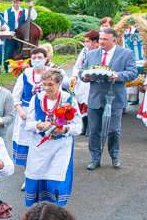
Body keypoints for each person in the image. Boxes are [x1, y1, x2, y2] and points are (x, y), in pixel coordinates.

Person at [80, 28, 138, 171]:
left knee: (113, 130)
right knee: (94, 130)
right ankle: (95, 158)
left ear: (114, 40)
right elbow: (82, 71)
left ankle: (114, 156)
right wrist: (84, 76)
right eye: (100, 39)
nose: (101, 42)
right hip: (95, 97)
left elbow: (133, 73)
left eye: (105, 39)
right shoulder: (92, 53)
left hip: (115, 98)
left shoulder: (126, 53)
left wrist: (118, 76)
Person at [24, 69, 82, 207]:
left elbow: (78, 127)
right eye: (44, 84)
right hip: (39, 148)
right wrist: (39, 125)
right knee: (36, 179)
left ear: (59, 84)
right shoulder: (36, 99)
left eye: (50, 84)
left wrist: (65, 129)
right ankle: (38, 213)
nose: (46, 88)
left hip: (60, 148)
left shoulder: (69, 100)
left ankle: (56, 213)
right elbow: (28, 124)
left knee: (55, 182)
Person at [11, 47, 50, 178]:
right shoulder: (25, 75)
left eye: (39, 57)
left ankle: (42, 175)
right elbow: (16, 96)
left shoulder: (51, 74)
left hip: (45, 113)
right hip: (26, 113)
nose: (37, 60)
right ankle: (28, 175)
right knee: (26, 144)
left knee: (42, 145)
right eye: (34, 58)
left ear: (46, 59)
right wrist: (21, 112)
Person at [70, 31, 101, 136]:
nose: (85, 44)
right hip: (83, 80)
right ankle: (84, 125)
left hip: (94, 81)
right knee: (81, 103)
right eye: (85, 41)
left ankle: (91, 128)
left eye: (88, 41)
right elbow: (78, 65)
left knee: (91, 104)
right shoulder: (84, 51)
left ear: (95, 42)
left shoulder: (101, 52)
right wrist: (75, 76)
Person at [4, 0, 37, 66]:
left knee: (19, 51)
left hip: (21, 36)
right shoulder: (7, 11)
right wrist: (9, 32)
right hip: (10, 35)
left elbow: (33, 17)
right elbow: (5, 23)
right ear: (12, 2)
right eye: (14, 2)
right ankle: (7, 67)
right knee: (8, 51)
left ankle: (19, 66)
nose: (16, 3)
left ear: (20, 2)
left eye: (18, 2)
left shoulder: (25, 11)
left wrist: (31, 7)